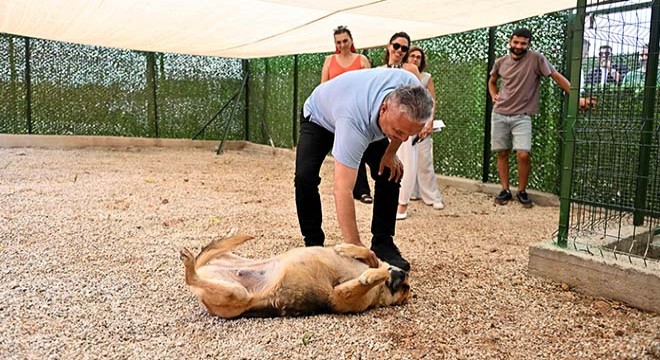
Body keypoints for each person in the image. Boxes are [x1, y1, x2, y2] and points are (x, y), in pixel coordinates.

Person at [295, 68, 434, 271]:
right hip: (319, 117)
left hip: (366, 116)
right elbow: (342, 189)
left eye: (409, 134)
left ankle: (383, 243)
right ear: (384, 108)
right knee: (305, 177)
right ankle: (313, 243)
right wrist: (354, 245)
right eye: (398, 132)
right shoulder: (353, 121)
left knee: (390, 171)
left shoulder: (411, 89)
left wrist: (389, 154)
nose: (403, 139)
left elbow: (401, 133)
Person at [488, 28, 571, 208]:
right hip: (499, 113)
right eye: (516, 42)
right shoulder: (500, 62)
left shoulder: (536, 59)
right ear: (510, 42)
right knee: (502, 152)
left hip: (522, 116)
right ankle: (505, 190)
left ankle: (522, 191)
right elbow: (492, 81)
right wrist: (493, 94)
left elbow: (555, 76)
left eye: (523, 43)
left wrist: (576, 96)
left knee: (523, 154)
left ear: (528, 44)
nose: (518, 46)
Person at [320, 26, 374, 205]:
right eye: (338, 42)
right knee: (344, 152)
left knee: (360, 150)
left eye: (345, 40)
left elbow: (369, 86)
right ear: (335, 44)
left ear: (351, 40)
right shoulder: (329, 61)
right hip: (337, 113)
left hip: (358, 111)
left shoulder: (362, 60)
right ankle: (347, 190)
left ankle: (362, 190)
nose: (342, 45)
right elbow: (323, 89)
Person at [396, 46, 444, 220]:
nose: (415, 59)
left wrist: (428, 123)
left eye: (418, 57)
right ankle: (411, 194)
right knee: (406, 162)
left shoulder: (426, 78)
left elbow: (431, 101)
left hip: (423, 124)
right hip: (404, 125)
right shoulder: (400, 75)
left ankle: (432, 196)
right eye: (412, 56)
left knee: (425, 161)